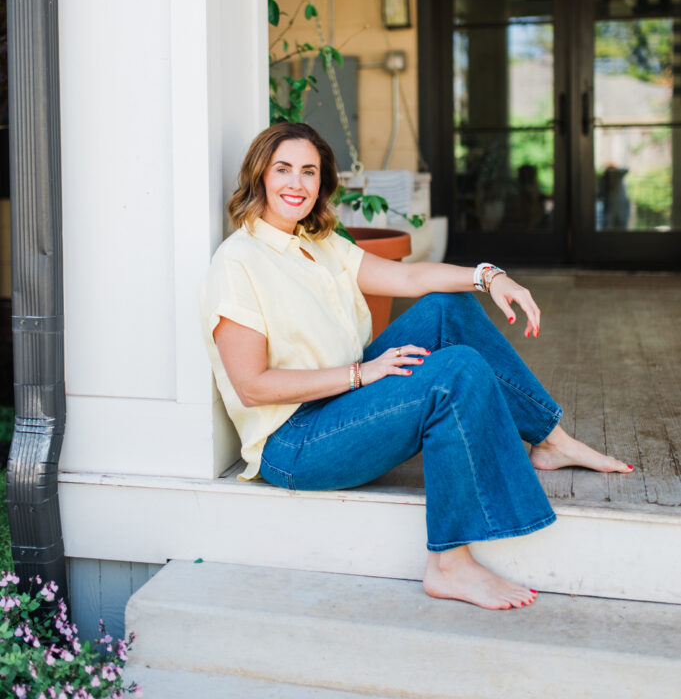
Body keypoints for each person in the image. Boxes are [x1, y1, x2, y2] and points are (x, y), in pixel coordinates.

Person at [202, 122, 633, 612]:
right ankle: (449, 563)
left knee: (448, 309)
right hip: (295, 442)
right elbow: (252, 386)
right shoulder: (238, 263)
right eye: (283, 170)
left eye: (309, 171)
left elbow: (409, 275)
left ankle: (550, 438)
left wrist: (488, 277)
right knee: (455, 371)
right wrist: (362, 374)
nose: (296, 184)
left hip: (341, 402)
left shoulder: (317, 244)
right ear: (259, 175)